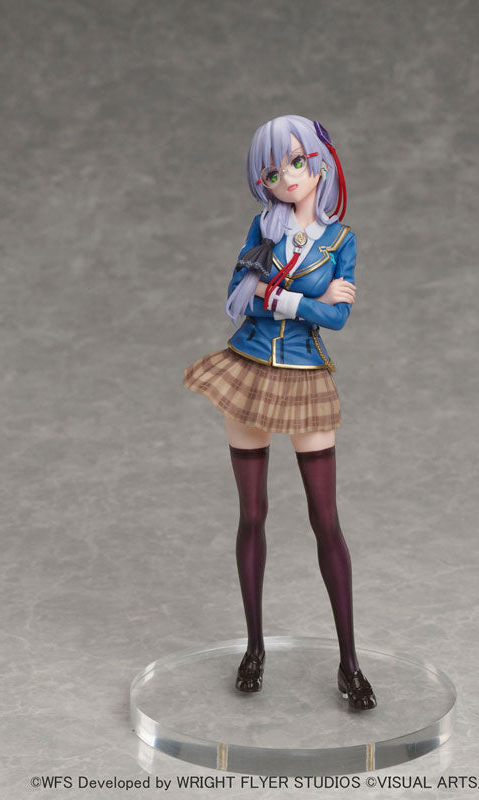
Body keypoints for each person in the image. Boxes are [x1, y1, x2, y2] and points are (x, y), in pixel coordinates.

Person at [183, 115, 376, 710]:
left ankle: (350, 662)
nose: (286, 177)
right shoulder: (262, 228)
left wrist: (276, 297)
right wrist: (300, 298)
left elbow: (339, 318)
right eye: (272, 170)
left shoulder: (340, 241)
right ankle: (254, 648)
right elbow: (238, 298)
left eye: (295, 162)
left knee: (326, 520)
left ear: (319, 162)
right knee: (252, 515)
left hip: (304, 375)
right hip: (247, 367)